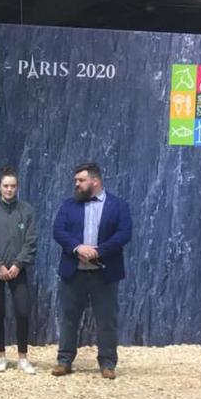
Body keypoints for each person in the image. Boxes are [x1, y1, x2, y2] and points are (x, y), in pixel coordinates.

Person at [52, 162, 132, 379]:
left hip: (104, 273)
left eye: (81, 180)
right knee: (69, 318)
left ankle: (107, 363)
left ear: (95, 181)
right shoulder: (69, 205)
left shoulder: (119, 206)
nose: (76, 184)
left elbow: (124, 234)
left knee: (107, 319)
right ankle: (64, 361)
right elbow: (58, 231)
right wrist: (78, 248)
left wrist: (98, 251)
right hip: (73, 272)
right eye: (76, 181)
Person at [0, 166, 38, 375]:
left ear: (17, 187)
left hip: (18, 270)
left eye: (13, 186)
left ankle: (23, 357)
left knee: (22, 312)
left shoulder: (27, 211)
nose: (9, 190)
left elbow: (31, 242)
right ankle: (1, 356)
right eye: (6, 186)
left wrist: (17, 265)